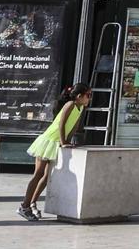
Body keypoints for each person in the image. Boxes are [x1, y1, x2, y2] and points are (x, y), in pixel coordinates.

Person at [21, 83, 91, 220]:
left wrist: (68, 142)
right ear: (79, 96)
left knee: (47, 177)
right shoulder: (70, 104)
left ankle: (33, 203)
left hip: (57, 143)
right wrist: (63, 141)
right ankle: (24, 206)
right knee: (38, 174)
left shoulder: (80, 108)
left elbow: (73, 127)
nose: (90, 98)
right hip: (48, 141)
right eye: (88, 95)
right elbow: (61, 123)